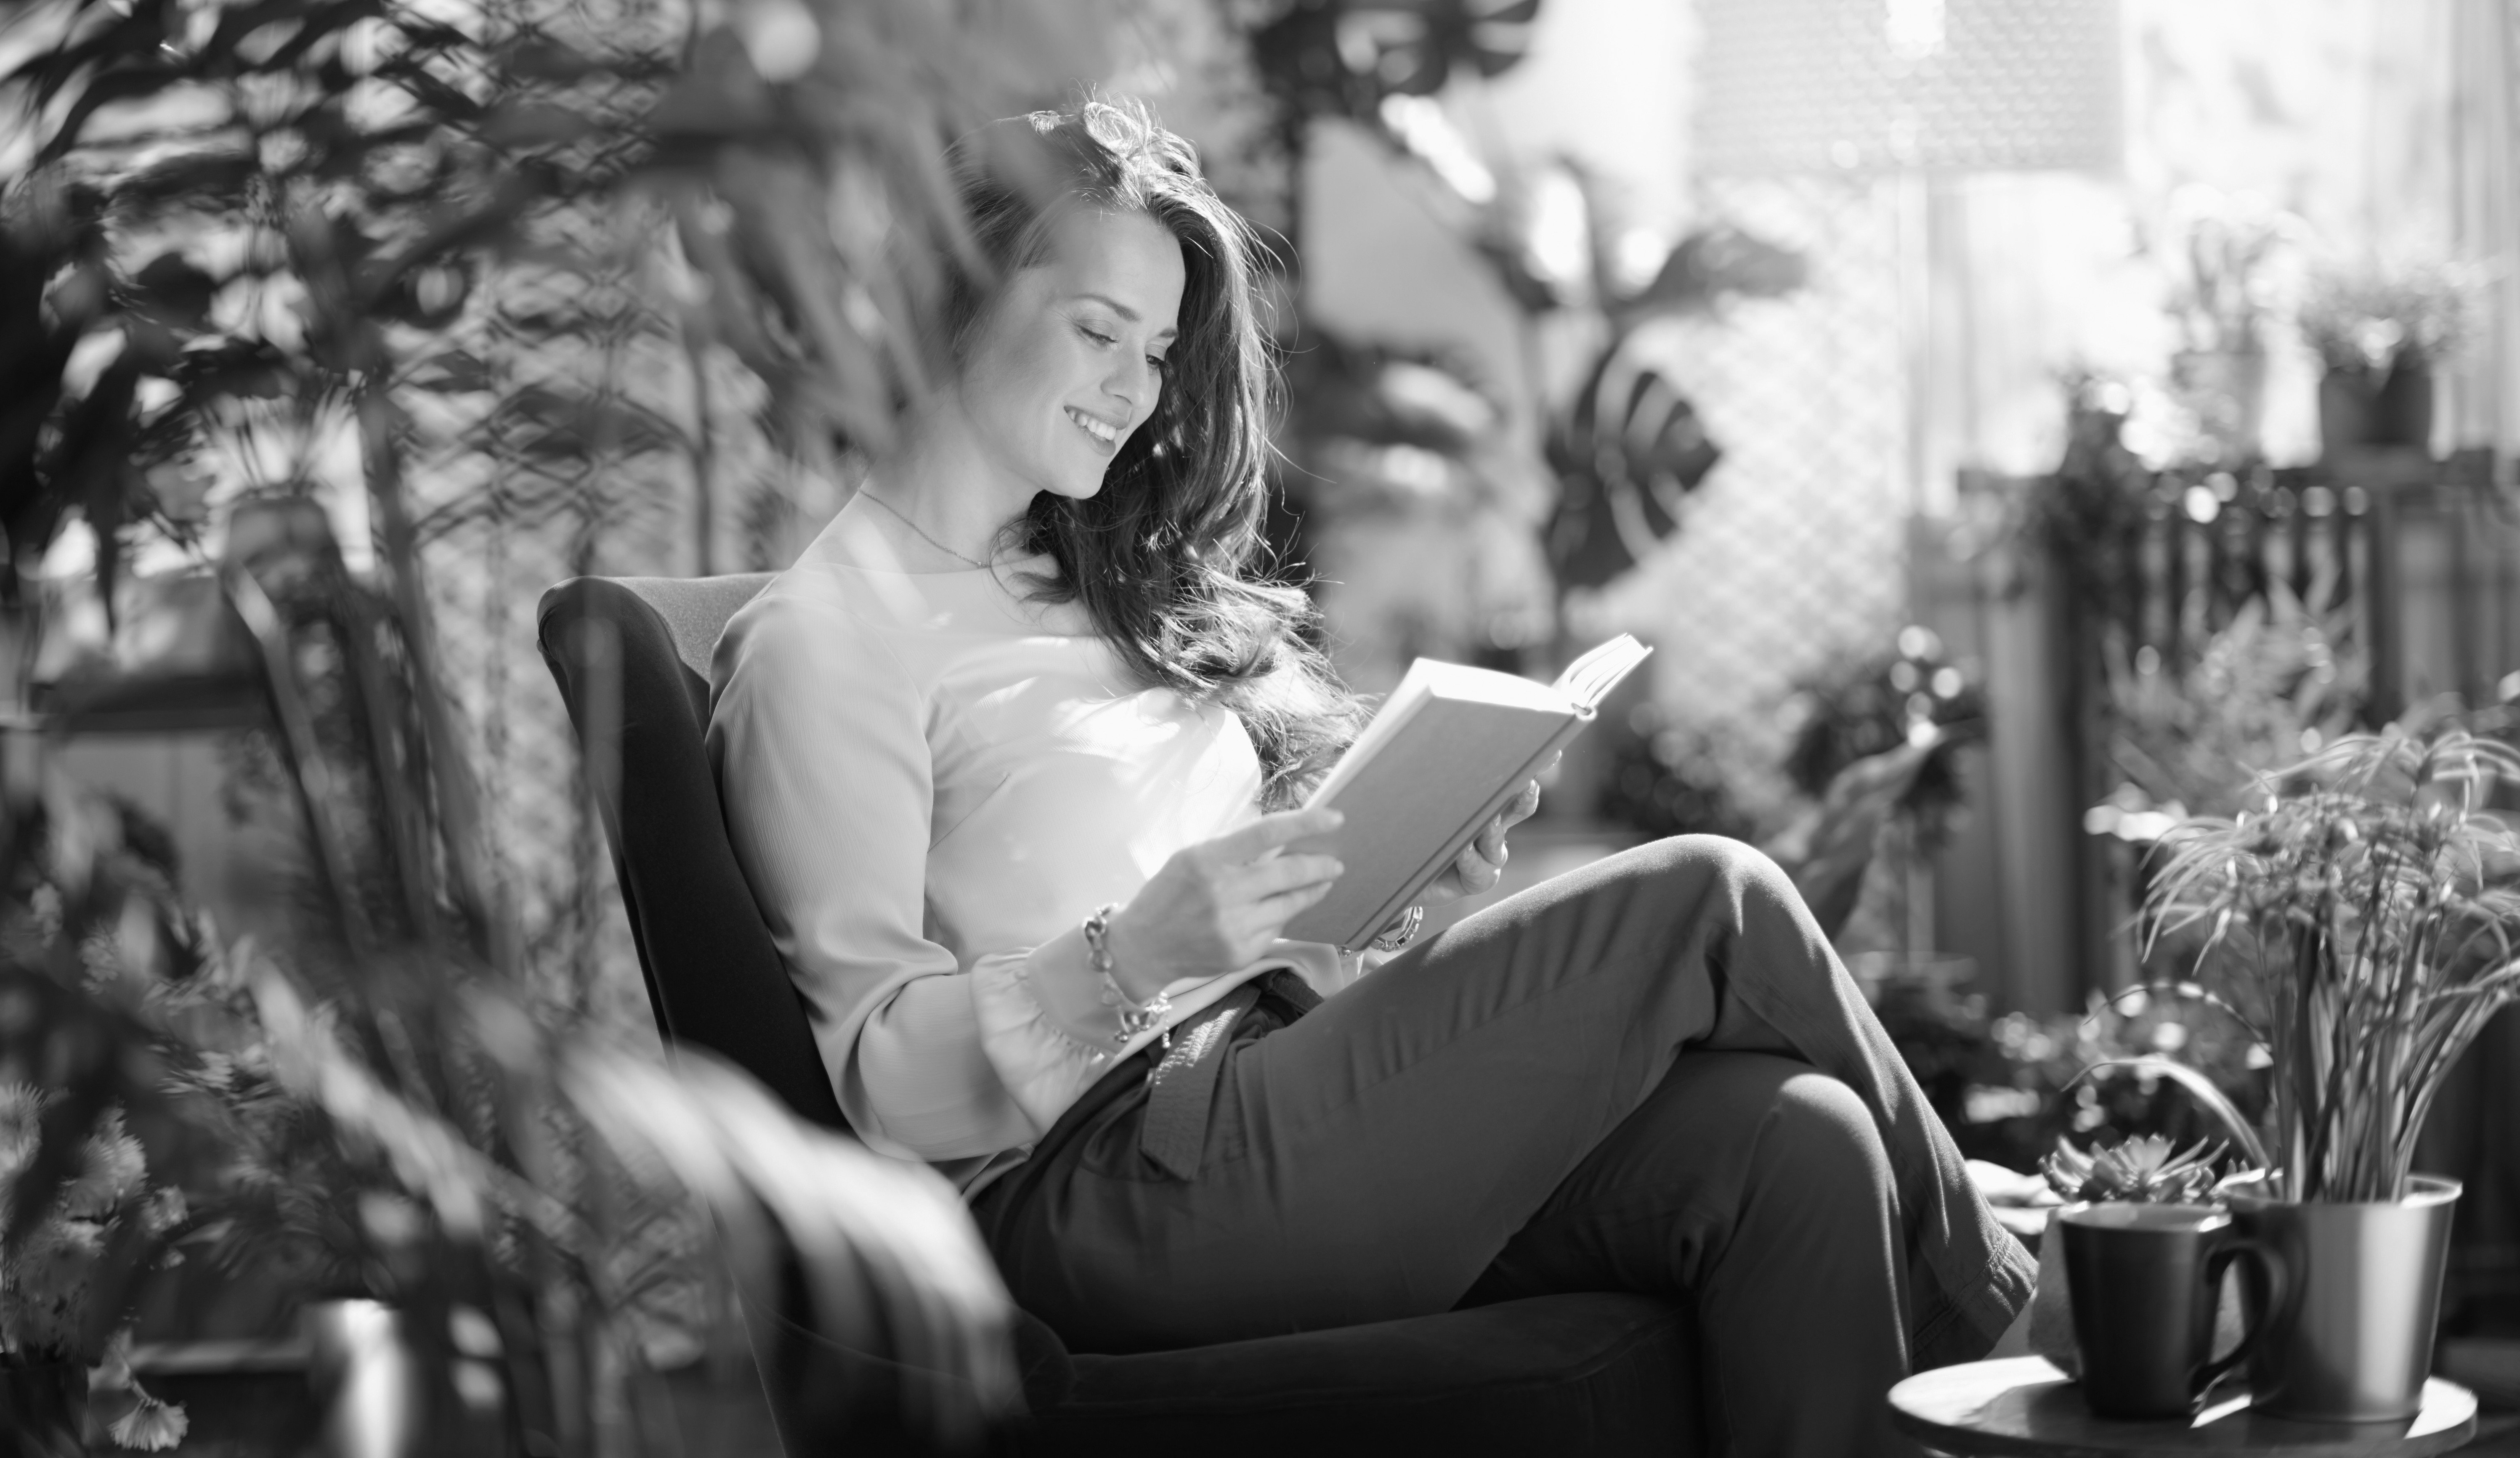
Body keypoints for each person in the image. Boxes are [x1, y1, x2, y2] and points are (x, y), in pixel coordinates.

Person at [707, 97, 2034, 1456]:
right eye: (1098, 331)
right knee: (1711, 891)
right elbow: (864, 1080)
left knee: (1799, 1145)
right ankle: (2040, 1343)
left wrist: (1389, 883)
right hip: (1090, 1189)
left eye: (1160, 351)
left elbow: (1241, 935)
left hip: (1265, 1096)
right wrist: (1129, 952)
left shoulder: (1082, 596)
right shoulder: (829, 642)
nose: (1136, 387)